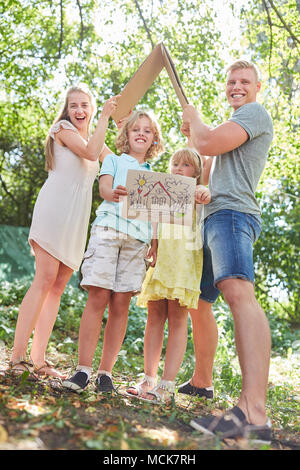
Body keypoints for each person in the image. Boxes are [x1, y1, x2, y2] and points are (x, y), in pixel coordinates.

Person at [180, 60, 273, 443]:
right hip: (211, 216)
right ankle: (203, 381)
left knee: (238, 293)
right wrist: (195, 135)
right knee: (200, 299)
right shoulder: (230, 125)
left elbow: (206, 142)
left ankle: (254, 411)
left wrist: (196, 121)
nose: (237, 86)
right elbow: (205, 167)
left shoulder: (254, 113)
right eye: (232, 81)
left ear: (257, 87)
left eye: (244, 81)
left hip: (233, 214)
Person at [9, 84, 119, 379]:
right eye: (74, 106)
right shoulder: (63, 130)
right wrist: (106, 119)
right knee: (44, 278)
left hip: (77, 219)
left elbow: (116, 163)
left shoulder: (93, 137)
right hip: (54, 210)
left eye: (85, 105)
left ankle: (39, 359)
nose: (80, 110)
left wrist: (124, 125)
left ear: (92, 108)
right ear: (67, 110)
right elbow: (91, 152)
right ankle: (17, 355)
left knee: (58, 287)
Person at [62, 110, 164, 393]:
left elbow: (155, 214)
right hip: (108, 231)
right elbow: (105, 189)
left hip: (137, 241)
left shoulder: (154, 176)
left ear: (154, 138)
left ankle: (105, 373)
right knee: (98, 296)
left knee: (121, 304)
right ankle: (83, 369)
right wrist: (114, 192)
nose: (141, 133)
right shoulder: (114, 161)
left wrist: (154, 242)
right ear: (127, 135)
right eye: (136, 130)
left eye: (147, 130)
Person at [126, 148, 211, 404]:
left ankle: (167, 384)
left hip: (184, 261)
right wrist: (153, 243)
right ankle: (149, 378)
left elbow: (206, 193)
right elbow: (154, 221)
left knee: (177, 318)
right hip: (162, 258)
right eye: (175, 163)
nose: (178, 168)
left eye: (185, 165)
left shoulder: (197, 193)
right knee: (154, 315)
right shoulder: (163, 191)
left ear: (195, 172)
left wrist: (204, 190)